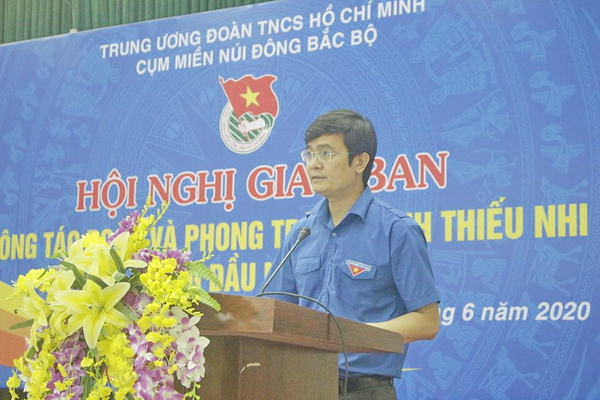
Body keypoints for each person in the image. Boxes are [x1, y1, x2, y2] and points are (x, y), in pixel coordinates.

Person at [262, 109, 440, 399]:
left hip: (364, 389)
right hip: (302, 384)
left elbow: (427, 321)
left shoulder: (396, 230)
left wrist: (351, 335)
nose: (314, 164)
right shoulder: (301, 233)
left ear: (360, 161)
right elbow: (272, 310)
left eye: (326, 153)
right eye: (309, 153)